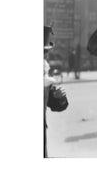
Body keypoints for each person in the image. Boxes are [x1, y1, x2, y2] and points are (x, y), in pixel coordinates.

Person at [44, 26, 55, 158]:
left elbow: (53, 102)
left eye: (46, 51)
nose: (46, 55)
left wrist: (59, 98)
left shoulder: (44, 70)